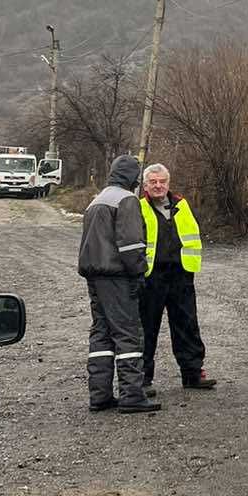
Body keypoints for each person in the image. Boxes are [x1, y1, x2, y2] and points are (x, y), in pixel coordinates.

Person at [77, 155, 158, 414]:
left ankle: (99, 395)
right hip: (118, 277)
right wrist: (139, 275)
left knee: (101, 333)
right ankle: (132, 395)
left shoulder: (97, 200)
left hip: (94, 276)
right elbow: (131, 245)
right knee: (128, 333)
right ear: (132, 177)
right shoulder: (126, 200)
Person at [138, 163, 216, 393]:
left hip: (181, 274)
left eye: (162, 181)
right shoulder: (138, 207)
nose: (158, 185)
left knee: (187, 325)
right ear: (145, 185)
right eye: (153, 182)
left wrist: (190, 268)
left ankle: (192, 373)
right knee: (146, 327)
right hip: (151, 276)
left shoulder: (182, 205)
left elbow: (192, 235)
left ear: (168, 183)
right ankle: (142, 379)